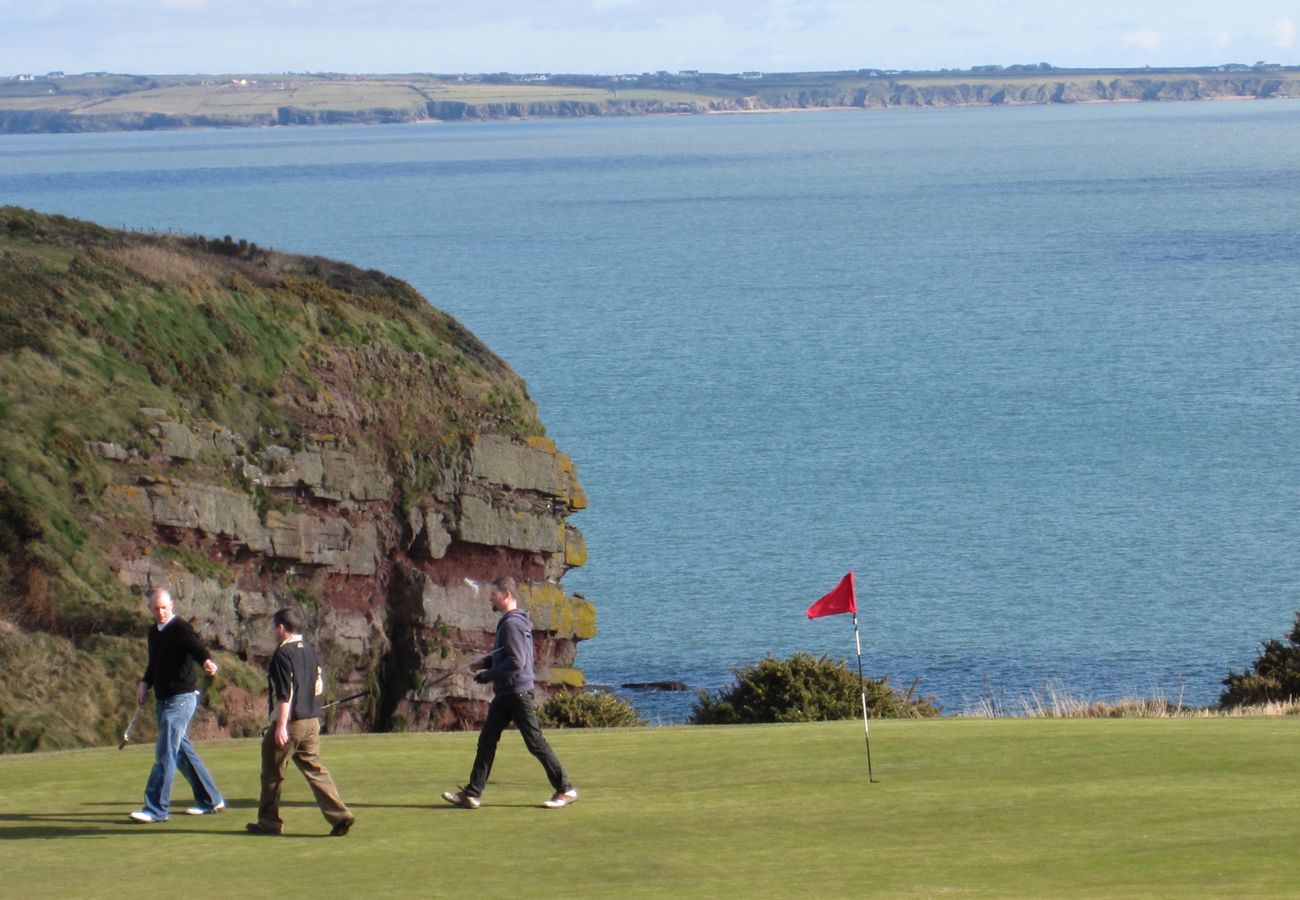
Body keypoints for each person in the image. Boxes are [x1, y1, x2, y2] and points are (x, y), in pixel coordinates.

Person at [442, 576, 578, 810]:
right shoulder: (513, 621)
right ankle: (472, 793)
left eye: (494, 594)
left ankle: (565, 789)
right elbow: (507, 653)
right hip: (507, 693)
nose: (490, 599)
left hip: (517, 692)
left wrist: (488, 674)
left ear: (506, 595)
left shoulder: (512, 623)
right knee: (487, 741)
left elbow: (517, 661)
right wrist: (486, 661)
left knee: (535, 742)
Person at [246, 607, 355, 836]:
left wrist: (280, 726)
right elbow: (318, 686)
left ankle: (269, 822)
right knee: (316, 770)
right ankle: (340, 815)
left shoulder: (282, 654)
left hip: (291, 723)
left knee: (272, 773)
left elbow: (285, 694)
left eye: (275, 628)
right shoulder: (309, 650)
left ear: (281, 628)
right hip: (312, 721)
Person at [129, 587, 225, 823]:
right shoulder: (154, 632)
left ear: (172, 605)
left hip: (183, 698)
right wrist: (144, 683)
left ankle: (156, 809)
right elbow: (155, 663)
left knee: (165, 750)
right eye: (156, 608)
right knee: (181, 751)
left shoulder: (180, 627)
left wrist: (207, 662)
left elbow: (196, 647)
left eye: (164, 607)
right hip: (163, 699)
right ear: (150, 609)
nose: (161, 612)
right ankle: (210, 799)